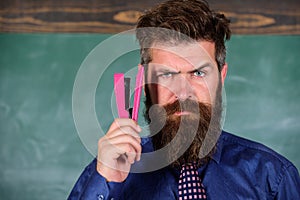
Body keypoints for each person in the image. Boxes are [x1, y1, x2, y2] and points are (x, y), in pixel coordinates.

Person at [68, 0, 300, 199]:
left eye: (198, 73)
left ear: (221, 77)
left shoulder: (273, 178)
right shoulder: (105, 176)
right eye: (167, 74)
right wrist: (106, 179)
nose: (183, 92)